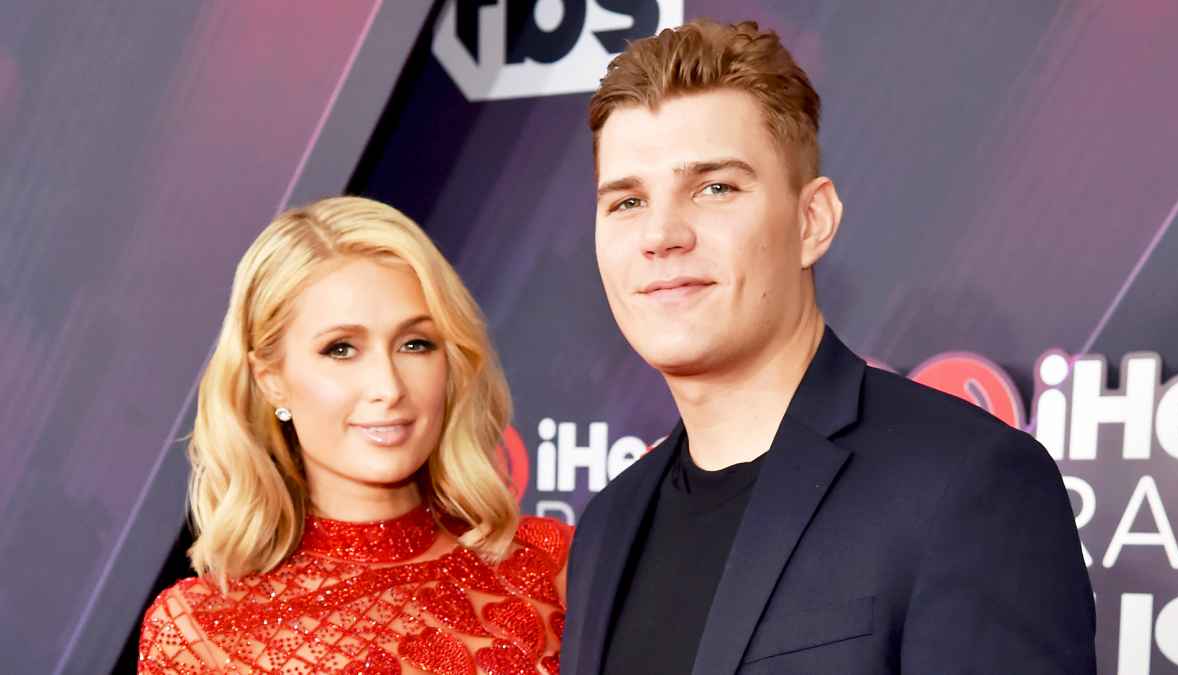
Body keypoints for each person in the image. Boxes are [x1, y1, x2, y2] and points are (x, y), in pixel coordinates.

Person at [561, 19, 1095, 675]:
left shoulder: (967, 486)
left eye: (714, 187)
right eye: (626, 201)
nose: (661, 234)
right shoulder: (605, 528)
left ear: (813, 221)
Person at [139, 196, 571, 674]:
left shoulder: (555, 566)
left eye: (415, 344)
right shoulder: (202, 631)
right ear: (271, 378)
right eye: (341, 349)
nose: (388, 387)